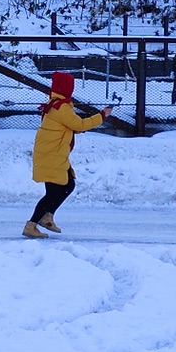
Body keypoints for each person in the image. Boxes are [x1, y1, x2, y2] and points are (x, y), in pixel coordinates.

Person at [27, 70, 111, 238]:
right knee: (56, 191)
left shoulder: (55, 104)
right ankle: (32, 225)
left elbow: (66, 127)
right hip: (52, 155)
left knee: (66, 185)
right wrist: (102, 115)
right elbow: (78, 124)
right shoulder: (61, 107)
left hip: (52, 153)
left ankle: (47, 217)